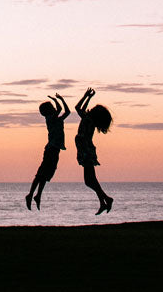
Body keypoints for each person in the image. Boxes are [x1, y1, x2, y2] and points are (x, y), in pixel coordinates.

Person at [25, 93, 70, 210]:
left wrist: (61, 100)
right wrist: (57, 100)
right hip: (51, 149)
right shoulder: (50, 118)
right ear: (48, 111)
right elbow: (60, 109)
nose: (55, 109)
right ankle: (30, 195)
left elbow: (68, 112)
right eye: (52, 108)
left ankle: (38, 195)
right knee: (41, 173)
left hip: (55, 150)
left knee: (46, 175)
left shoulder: (57, 120)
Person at [75, 87, 113, 215]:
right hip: (86, 149)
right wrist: (88, 97)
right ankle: (104, 201)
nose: (90, 108)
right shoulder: (88, 119)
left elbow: (77, 108)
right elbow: (80, 109)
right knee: (90, 180)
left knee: (89, 180)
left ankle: (106, 199)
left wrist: (87, 96)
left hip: (86, 150)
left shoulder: (88, 119)